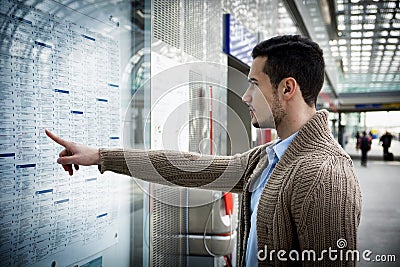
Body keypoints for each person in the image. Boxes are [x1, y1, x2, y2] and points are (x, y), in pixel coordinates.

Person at [46, 35, 361, 266]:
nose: (246, 96)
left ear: (287, 88)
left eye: (254, 84)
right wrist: (101, 156)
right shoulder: (269, 157)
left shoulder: (323, 175)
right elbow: (188, 166)